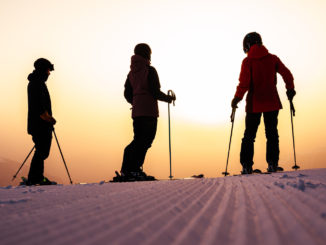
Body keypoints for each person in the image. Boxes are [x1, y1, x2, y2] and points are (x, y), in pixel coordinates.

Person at [231, 32, 296, 174]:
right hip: (272, 103)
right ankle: (272, 164)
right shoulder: (273, 59)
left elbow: (244, 84)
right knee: (272, 134)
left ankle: (246, 166)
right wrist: (290, 89)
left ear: (247, 46)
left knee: (249, 135)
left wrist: (236, 99)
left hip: (254, 104)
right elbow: (287, 74)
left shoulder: (247, 62)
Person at [114, 43, 176, 182]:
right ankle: (133, 169)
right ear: (147, 54)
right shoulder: (149, 70)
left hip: (137, 113)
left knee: (139, 140)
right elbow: (155, 91)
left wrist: (135, 102)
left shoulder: (131, 73)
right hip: (149, 112)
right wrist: (168, 98)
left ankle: (130, 169)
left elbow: (126, 93)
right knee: (145, 140)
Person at [26, 58, 57, 185]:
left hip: (39, 124)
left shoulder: (36, 82)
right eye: (48, 70)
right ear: (43, 70)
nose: (49, 73)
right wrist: (49, 119)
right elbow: (39, 106)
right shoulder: (37, 84)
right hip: (40, 124)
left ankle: (36, 177)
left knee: (41, 150)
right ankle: (35, 177)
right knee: (42, 150)